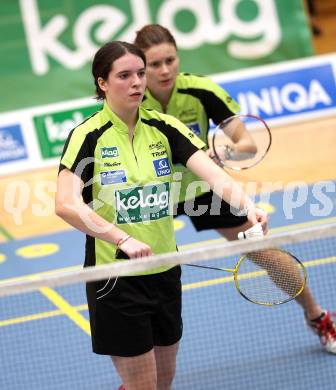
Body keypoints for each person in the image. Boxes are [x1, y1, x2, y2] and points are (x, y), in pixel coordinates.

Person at [55, 41, 268, 390]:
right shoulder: (88, 135)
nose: (137, 82)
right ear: (103, 83)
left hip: (165, 272)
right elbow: (65, 203)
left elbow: (213, 175)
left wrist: (249, 206)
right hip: (116, 276)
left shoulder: (164, 127)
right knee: (145, 385)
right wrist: (121, 238)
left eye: (140, 73)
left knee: (163, 383)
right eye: (124, 75)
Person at [134, 24, 336, 354]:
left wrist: (221, 154)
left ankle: (318, 317)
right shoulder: (134, 99)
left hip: (205, 188)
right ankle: (141, 367)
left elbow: (247, 145)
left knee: (267, 254)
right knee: (139, 276)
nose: (165, 69)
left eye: (170, 60)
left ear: (178, 56)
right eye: (154, 64)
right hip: (156, 194)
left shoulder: (200, 91)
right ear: (142, 66)